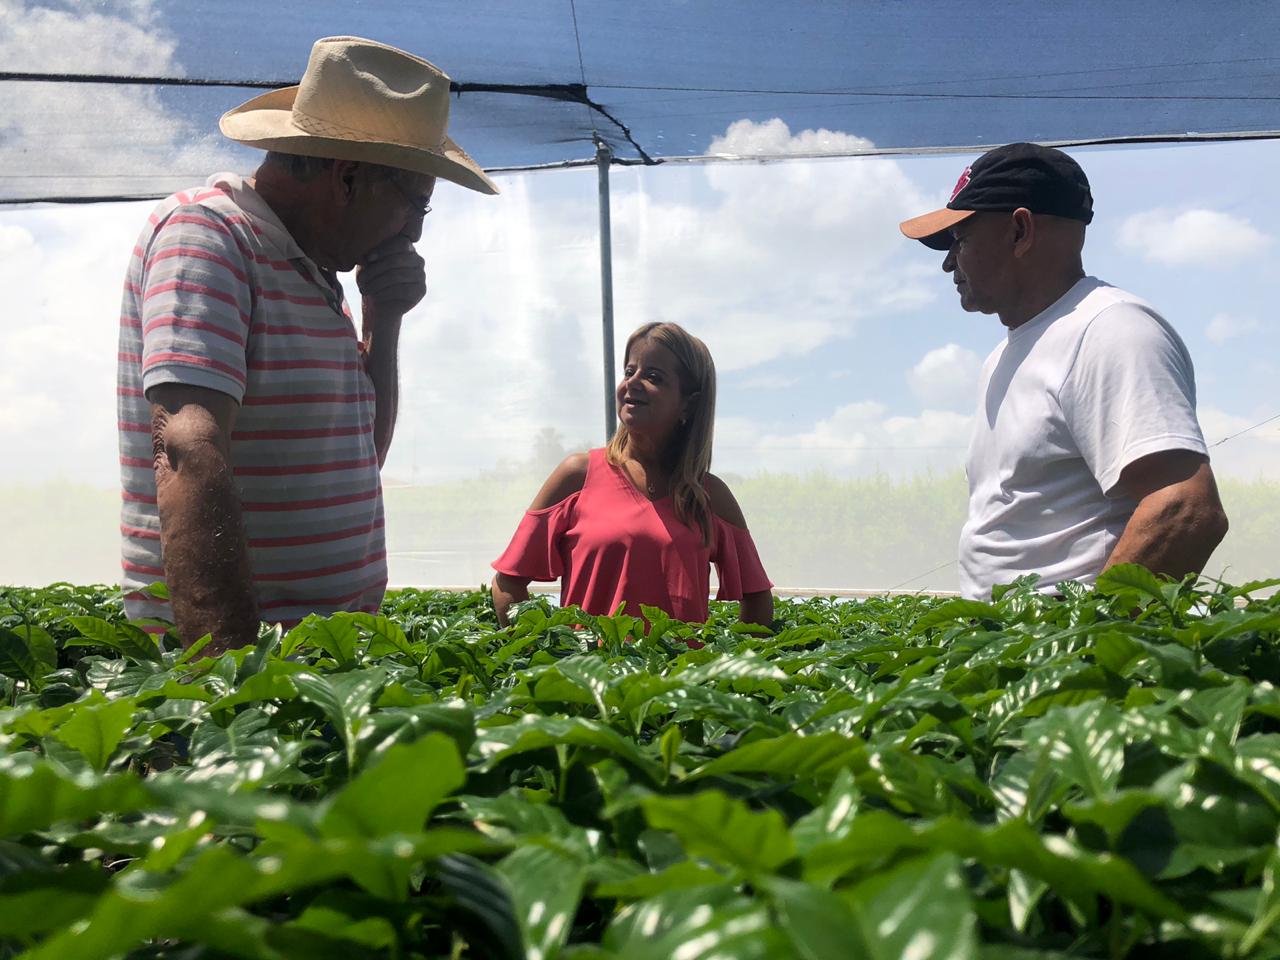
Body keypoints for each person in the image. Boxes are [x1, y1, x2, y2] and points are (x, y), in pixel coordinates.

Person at [118, 37, 498, 653]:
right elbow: (187, 447)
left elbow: (357, 453)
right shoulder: (210, 236)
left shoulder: (314, 273)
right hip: (245, 657)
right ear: (347, 178)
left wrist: (383, 318)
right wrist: (230, 684)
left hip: (315, 655)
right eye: (416, 206)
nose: (416, 231)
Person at [899, 142, 1228, 600]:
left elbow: (1185, 508)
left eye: (962, 239)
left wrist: (1088, 644)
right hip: (1015, 646)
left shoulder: (1110, 329)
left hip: (1064, 651)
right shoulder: (1006, 355)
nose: (949, 261)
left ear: (1020, 230)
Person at [490, 322, 774, 633]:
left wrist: (722, 667)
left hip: (677, 681)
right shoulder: (578, 476)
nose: (633, 383)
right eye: (630, 371)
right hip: (590, 679)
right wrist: (543, 655)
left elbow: (757, 599)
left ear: (688, 403)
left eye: (654, 377)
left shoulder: (710, 496)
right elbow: (508, 581)